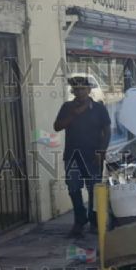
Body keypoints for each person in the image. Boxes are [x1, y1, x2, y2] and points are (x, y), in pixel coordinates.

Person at [53, 76, 110, 238]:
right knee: (73, 189)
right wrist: (73, 115)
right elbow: (57, 127)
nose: (80, 92)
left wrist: (102, 151)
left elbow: (107, 130)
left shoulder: (99, 108)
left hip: (93, 156)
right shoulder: (67, 107)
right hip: (72, 156)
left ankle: (94, 221)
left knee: (94, 190)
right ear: (73, 91)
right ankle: (79, 220)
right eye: (76, 89)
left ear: (89, 90)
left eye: (83, 89)